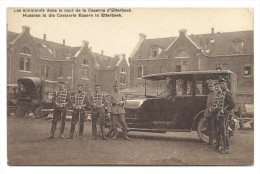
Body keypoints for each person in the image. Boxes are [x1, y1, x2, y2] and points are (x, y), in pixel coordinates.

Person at [218, 76, 235, 154]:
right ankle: (223, 147)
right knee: (221, 131)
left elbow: (232, 104)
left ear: (227, 84)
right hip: (221, 115)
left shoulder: (228, 93)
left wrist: (224, 109)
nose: (221, 85)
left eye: (223, 83)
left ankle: (226, 149)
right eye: (221, 84)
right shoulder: (222, 93)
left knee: (225, 132)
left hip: (225, 115)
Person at [204, 80, 216, 146]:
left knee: (213, 127)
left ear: (214, 86)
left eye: (212, 86)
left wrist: (212, 109)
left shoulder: (216, 94)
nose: (210, 88)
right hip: (208, 112)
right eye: (209, 86)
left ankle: (213, 141)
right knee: (209, 127)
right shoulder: (209, 94)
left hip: (213, 113)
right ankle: (210, 141)